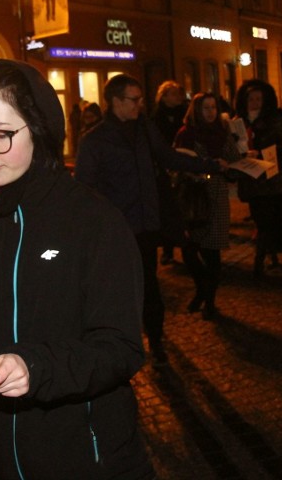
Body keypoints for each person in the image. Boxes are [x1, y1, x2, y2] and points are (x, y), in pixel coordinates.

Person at [0, 59, 155, 479]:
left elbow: (120, 349)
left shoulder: (94, 220)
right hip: (3, 459)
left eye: (1, 135)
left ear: (41, 128)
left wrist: (37, 367)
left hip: (90, 461)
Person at [75, 74, 221, 364]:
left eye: (140, 99)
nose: (139, 105)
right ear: (116, 101)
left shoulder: (144, 128)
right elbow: (84, 189)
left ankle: (155, 340)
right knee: (118, 290)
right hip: (116, 230)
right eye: (134, 99)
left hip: (146, 226)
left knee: (149, 285)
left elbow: (168, 157)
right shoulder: (94, 139)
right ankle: (120, 342)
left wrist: (209, 165)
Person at [173, 92, 239, 319]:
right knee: (190, 249)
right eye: (206, 108)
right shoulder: (186, 133)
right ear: (196, 110)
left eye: (213, 107)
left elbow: (234, 159)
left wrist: (229, 164)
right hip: (192, 195)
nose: (210, 112)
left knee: (212, 252)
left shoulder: (223, 132)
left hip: (216, 195)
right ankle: (201, 289)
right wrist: (197, 168)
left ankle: (209, 300)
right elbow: (177, 161)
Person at [234, 80, 282, 275]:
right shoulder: (238, 121)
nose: (255, 103)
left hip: (271, 176)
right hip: (251, 177)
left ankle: (261, 257)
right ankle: (269, 253)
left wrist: (263, 152)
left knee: (271, 218)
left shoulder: (274, 119)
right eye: (251, 99)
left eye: (259, 99)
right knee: (259, 218)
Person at [151, 80, 189, 265]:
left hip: (182, 162)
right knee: (167, 207)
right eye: (173, 94)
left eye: (178, 94)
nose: (177, 97)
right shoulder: (157, 117)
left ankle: (187, 242)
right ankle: (168, 249)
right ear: (164, 96)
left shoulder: (185, 114)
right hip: (166, 165)